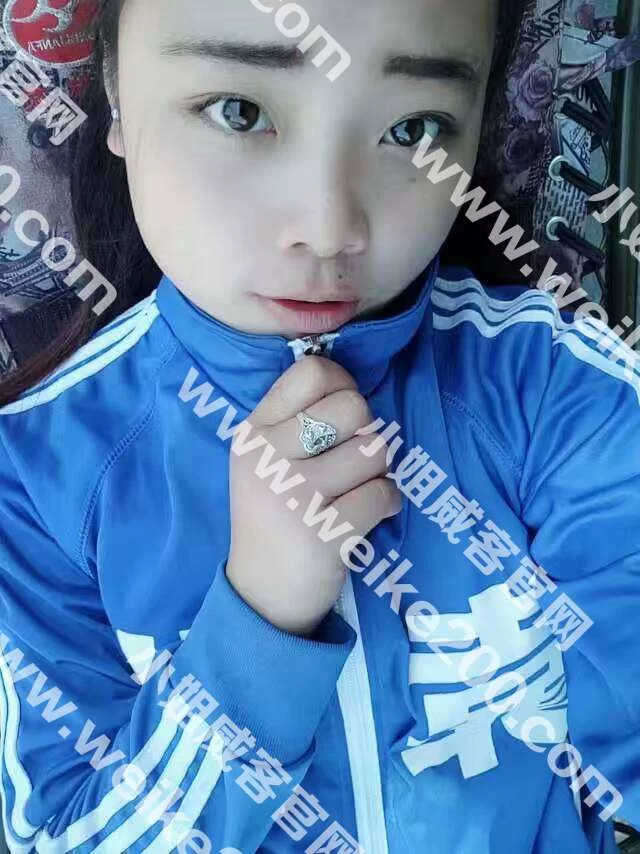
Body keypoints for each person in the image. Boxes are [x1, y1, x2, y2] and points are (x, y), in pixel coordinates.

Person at [0, 0, 637, 852]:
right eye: (240, 112)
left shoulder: (558, 389)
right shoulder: (32, 477)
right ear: (114, 89)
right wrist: (257, 624)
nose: (330, 228)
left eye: (413, 129)